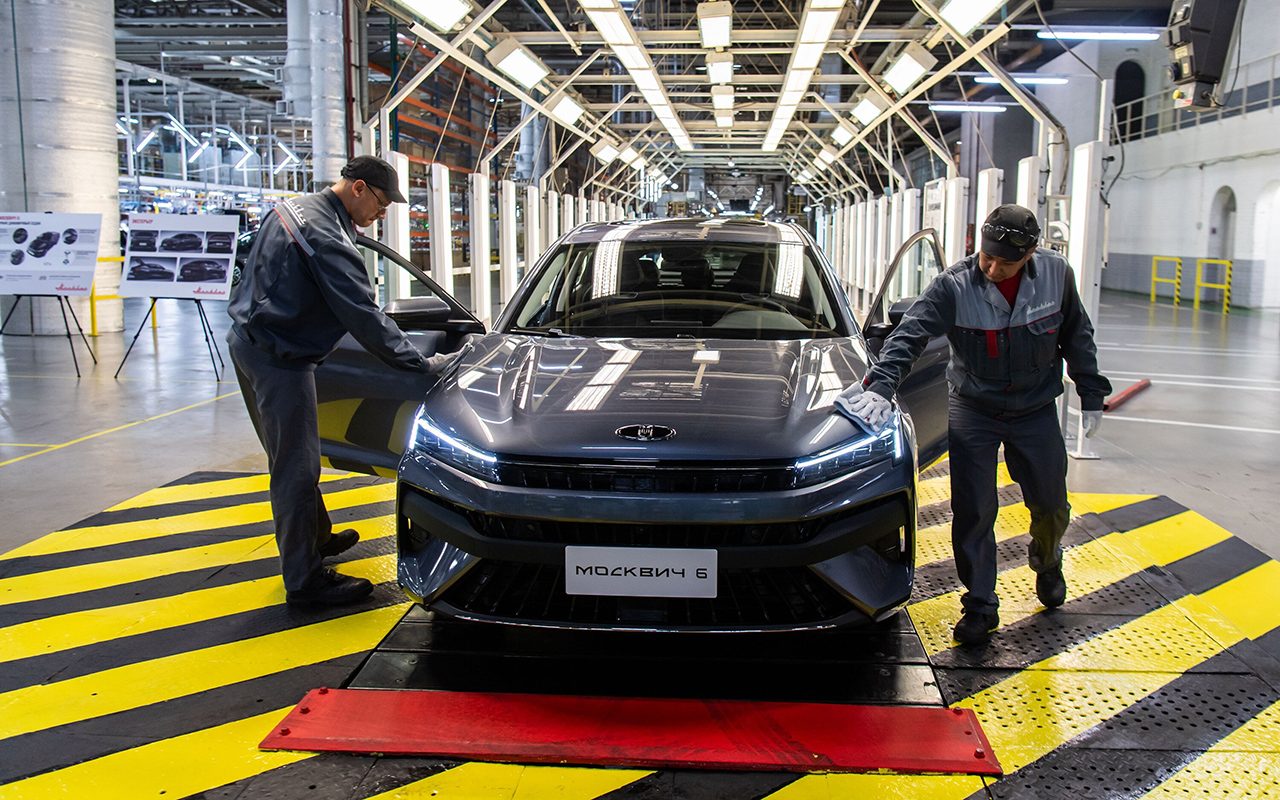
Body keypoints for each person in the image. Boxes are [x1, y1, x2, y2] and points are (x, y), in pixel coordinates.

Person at [838, 204, 1111, 644]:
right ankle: (980, 605)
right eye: (987, 257)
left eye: (1005, 262)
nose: (993, 268)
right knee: (974, 509)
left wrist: (1091, 392)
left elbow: (1077, 333)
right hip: (974, 408)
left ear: (1030, 254)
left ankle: (1047, 558)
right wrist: (882, 385)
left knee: (1051, 503)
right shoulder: (954, 285)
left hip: (1035, 409)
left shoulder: (1057, 275)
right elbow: (910, 334)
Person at [227, 156, 455, 606]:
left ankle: (318, 537)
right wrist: (423, 364)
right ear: (358, 188)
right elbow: (365, 317)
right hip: (282, 360)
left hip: (247, 342)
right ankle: (305, 582)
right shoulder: (326, 238)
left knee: (289, 456)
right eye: (382, 202)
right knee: (295, 470)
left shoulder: (291, 209)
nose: (382, 213)